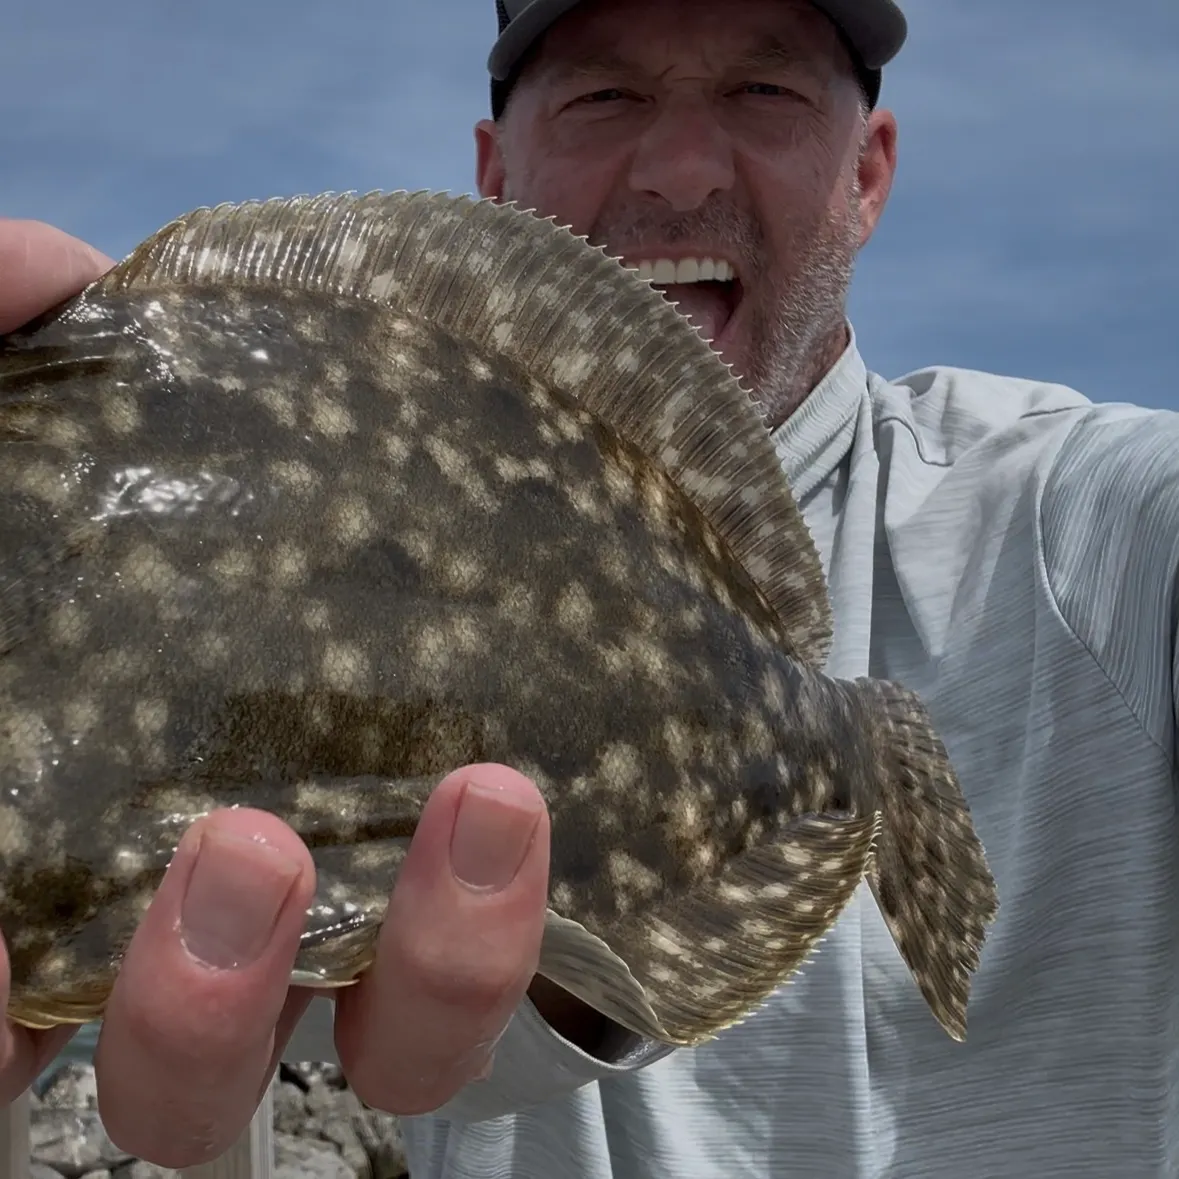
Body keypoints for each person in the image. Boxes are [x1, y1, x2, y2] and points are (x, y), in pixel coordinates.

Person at [2, 0, 1176, 1174]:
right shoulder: (381, 457)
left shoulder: (1078, 515)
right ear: (492, 172)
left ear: (866, 173)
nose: (678, 169)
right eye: (604, 97)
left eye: (763, 93)